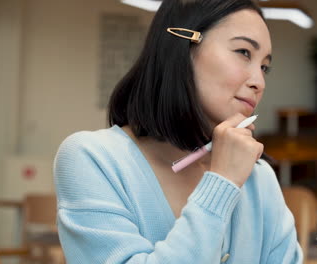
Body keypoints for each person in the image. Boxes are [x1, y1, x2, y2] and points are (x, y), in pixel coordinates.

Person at [53, 0, 303, 263]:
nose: (258, 82)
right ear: (182, 46)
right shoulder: (93, 159)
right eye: (243, 52)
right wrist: (222, 182)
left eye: (264, 67)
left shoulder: (257, 178)